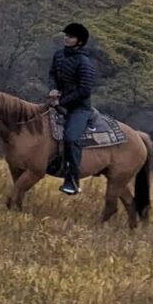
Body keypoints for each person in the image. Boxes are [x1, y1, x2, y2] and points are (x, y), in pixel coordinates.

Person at [47, 22, 96, 195]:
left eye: (71, 36)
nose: (66, 38)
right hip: (57, 101)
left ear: (79, 41)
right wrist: (53, 89)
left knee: (71, 138)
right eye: (66, 35)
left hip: (79, 109)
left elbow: (85, 90)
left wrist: (62, 102)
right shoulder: (58, 55)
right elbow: (52, 74)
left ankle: (72, 181)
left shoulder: (85, 62)